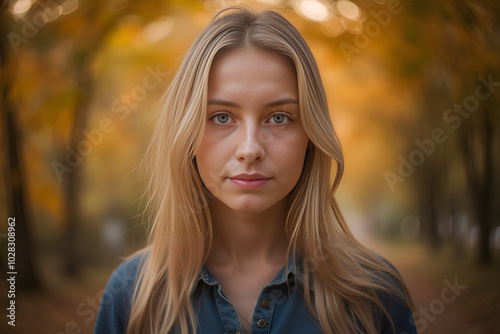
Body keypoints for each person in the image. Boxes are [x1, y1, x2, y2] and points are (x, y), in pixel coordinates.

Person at [94, 7, 416, 334]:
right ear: (186, 134)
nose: (250, 149)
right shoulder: (132, 296)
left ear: (311, 136)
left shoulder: (375, 297)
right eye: (222, 117)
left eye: (279, 117)